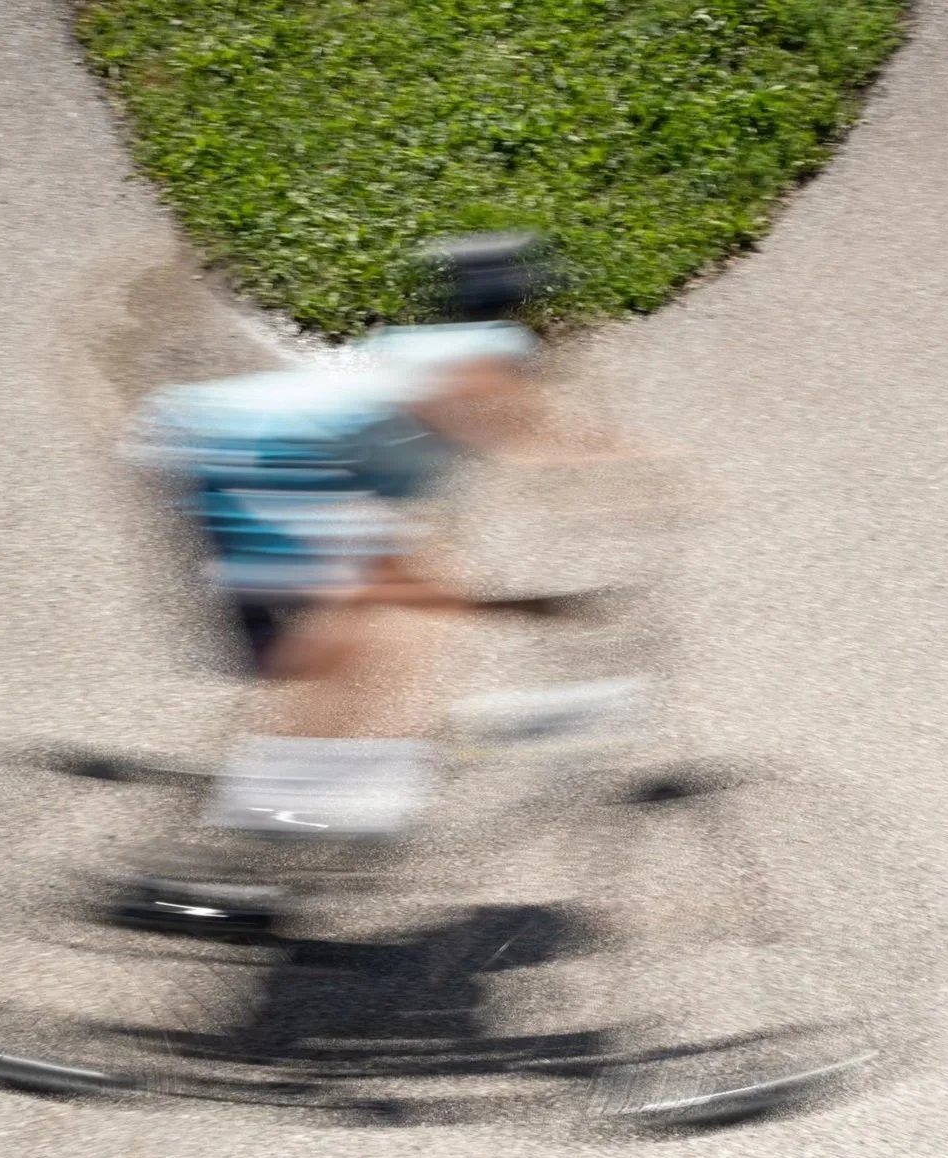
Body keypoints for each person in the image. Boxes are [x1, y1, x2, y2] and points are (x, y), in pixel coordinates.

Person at [113, 234, 619, 934]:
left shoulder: (442, 358)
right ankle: (219, 852)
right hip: (246, 467)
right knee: (359, 624)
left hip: (246, 460)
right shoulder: (479, 357)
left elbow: (535, 434)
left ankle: (295, 796)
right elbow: (519, 423)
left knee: (406, 605)